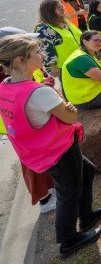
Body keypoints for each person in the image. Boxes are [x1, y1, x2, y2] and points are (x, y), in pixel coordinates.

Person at [0, 35, 101, 259]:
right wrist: (66, 105)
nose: (42, 56)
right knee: (68, 192)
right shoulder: (39, 92)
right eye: (37, 53)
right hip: (59, 150)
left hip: (37, 152)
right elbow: (69, 117)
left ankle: (86, 214)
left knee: (86, 171)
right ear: (20, 60)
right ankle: (68, 240)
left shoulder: (6, 86)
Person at [0, 27, 57, 215]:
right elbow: (20, 94)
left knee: (40, 157)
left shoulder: (21, 67)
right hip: (18, 122)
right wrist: (42, 88)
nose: (39, 54)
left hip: (28, 114)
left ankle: (49, 190)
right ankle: (44, 199)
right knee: (32, 161)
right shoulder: (8, 74)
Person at [35, 0, 82, 78]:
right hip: (63, 66)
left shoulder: (63, 21)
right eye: (59, 8)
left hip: (77, 60)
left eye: (62, 6)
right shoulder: (43, 28)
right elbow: (45, 49)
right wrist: (53, 66)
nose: (63, 8)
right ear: (50, 12)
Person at [61, 31, 101, 110]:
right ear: (85, 41)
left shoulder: (82, 53)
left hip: (88, 95)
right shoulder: (82, 59)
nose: (99, 43)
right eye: (95, 40)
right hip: (87, 98)